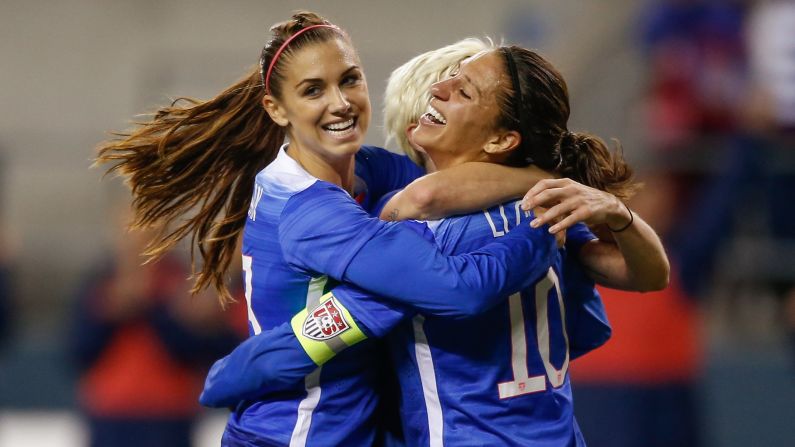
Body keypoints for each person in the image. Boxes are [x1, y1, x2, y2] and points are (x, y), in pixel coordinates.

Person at [95, 12, 586, 446]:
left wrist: (543, 184)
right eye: (313, 90)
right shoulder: (308, 213)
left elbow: (447, 185)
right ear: (276, 110)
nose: (341, 102)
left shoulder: (366, 169)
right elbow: (453, 289)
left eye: (349, 80)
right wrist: (541, 226)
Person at [201, 38, 669, 446]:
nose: (439, 93)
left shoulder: (421, 239)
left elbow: (326, 331)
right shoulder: (548, 208)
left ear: (501, 139)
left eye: (460, 90)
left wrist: (230, 375)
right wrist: (605, 210)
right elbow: (640, 281)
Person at [71, 205, 242, 447]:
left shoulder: (180, 280)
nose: (136, 241)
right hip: (109, 411)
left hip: (169, 411)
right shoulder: (99, 281)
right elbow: (80, 350)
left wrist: (153, 304)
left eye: (146, 232)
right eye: (129, 232)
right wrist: (111, 313)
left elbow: (194, 349)